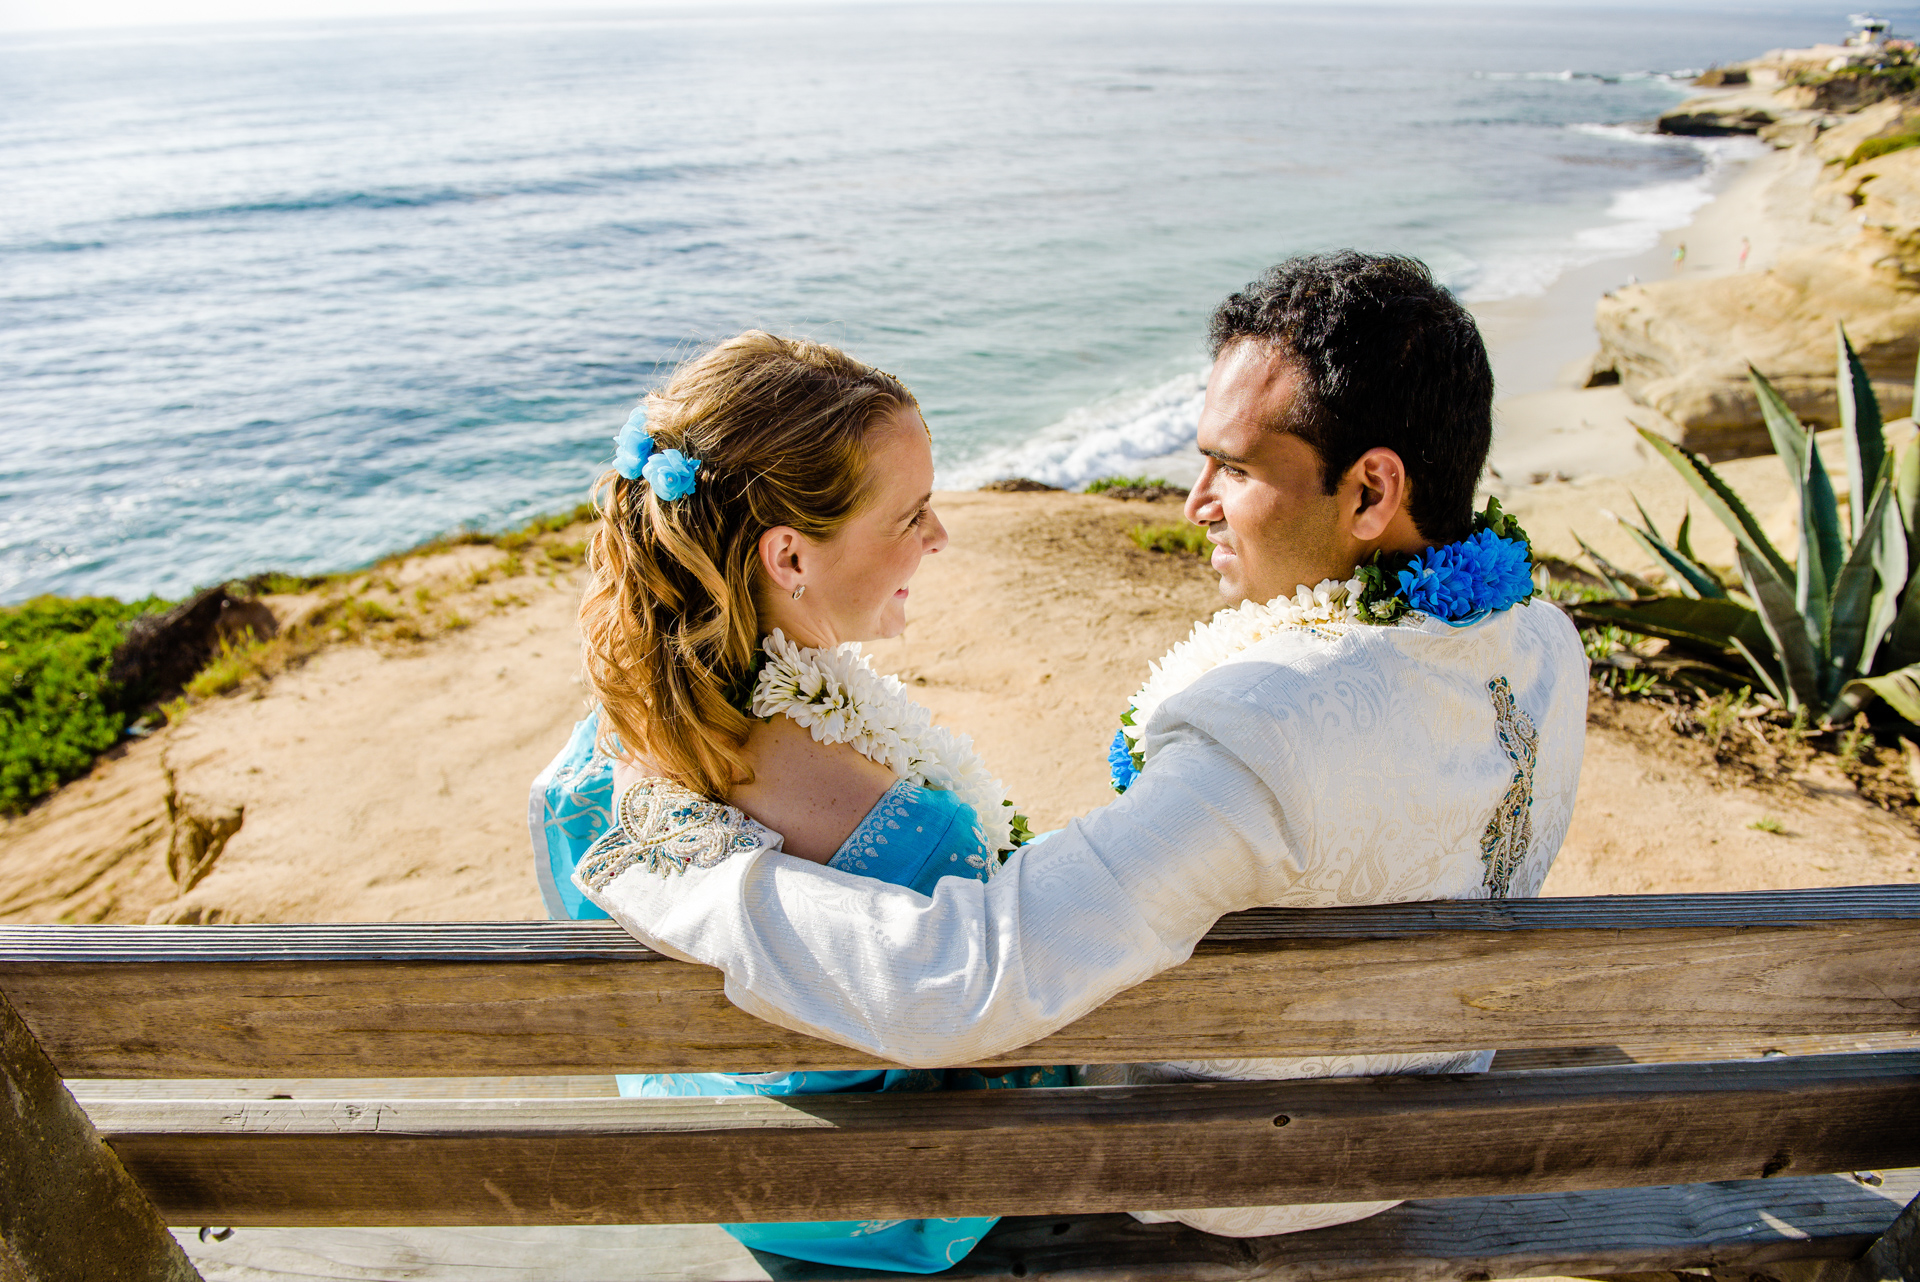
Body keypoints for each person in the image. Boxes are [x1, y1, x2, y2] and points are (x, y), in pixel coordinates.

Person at [571, 252, 1589, 1239]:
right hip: (1442, 1105)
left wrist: (684, 873)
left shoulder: (1266, 732)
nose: (1193, 503)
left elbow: (968, 980)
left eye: (1232, 467)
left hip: (1256, 1175)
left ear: (1370, 493)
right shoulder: (1546, 640)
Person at [530, 330, 1066, 1274]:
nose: (938, 537)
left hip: (718, 1153)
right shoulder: (920, 842)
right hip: (878, 1202)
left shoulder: (613, 733)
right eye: (911, 516)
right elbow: (1000, 1026)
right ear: (788, 557)